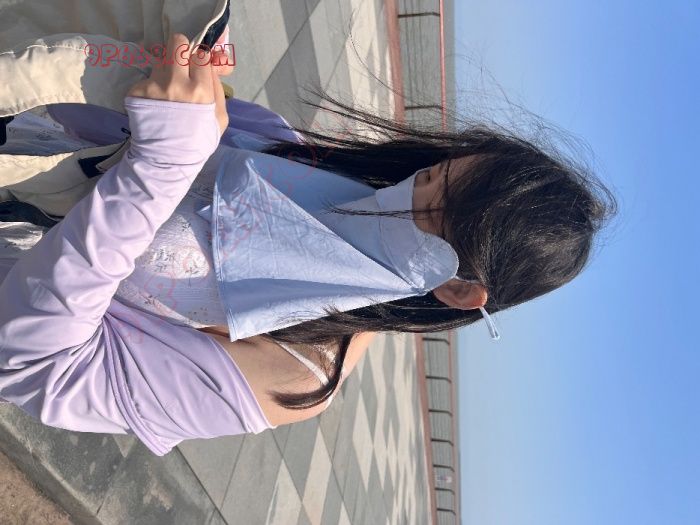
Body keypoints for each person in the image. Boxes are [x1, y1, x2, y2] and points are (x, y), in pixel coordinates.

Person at [0, 34, 616, 455]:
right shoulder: (295, 155)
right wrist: (185, 71)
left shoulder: (297, 375)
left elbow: (39, 370)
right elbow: (112, 112)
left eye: (437, 205)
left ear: (458, 291)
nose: (411, 186)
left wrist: (158, 174)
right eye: (435, 171)